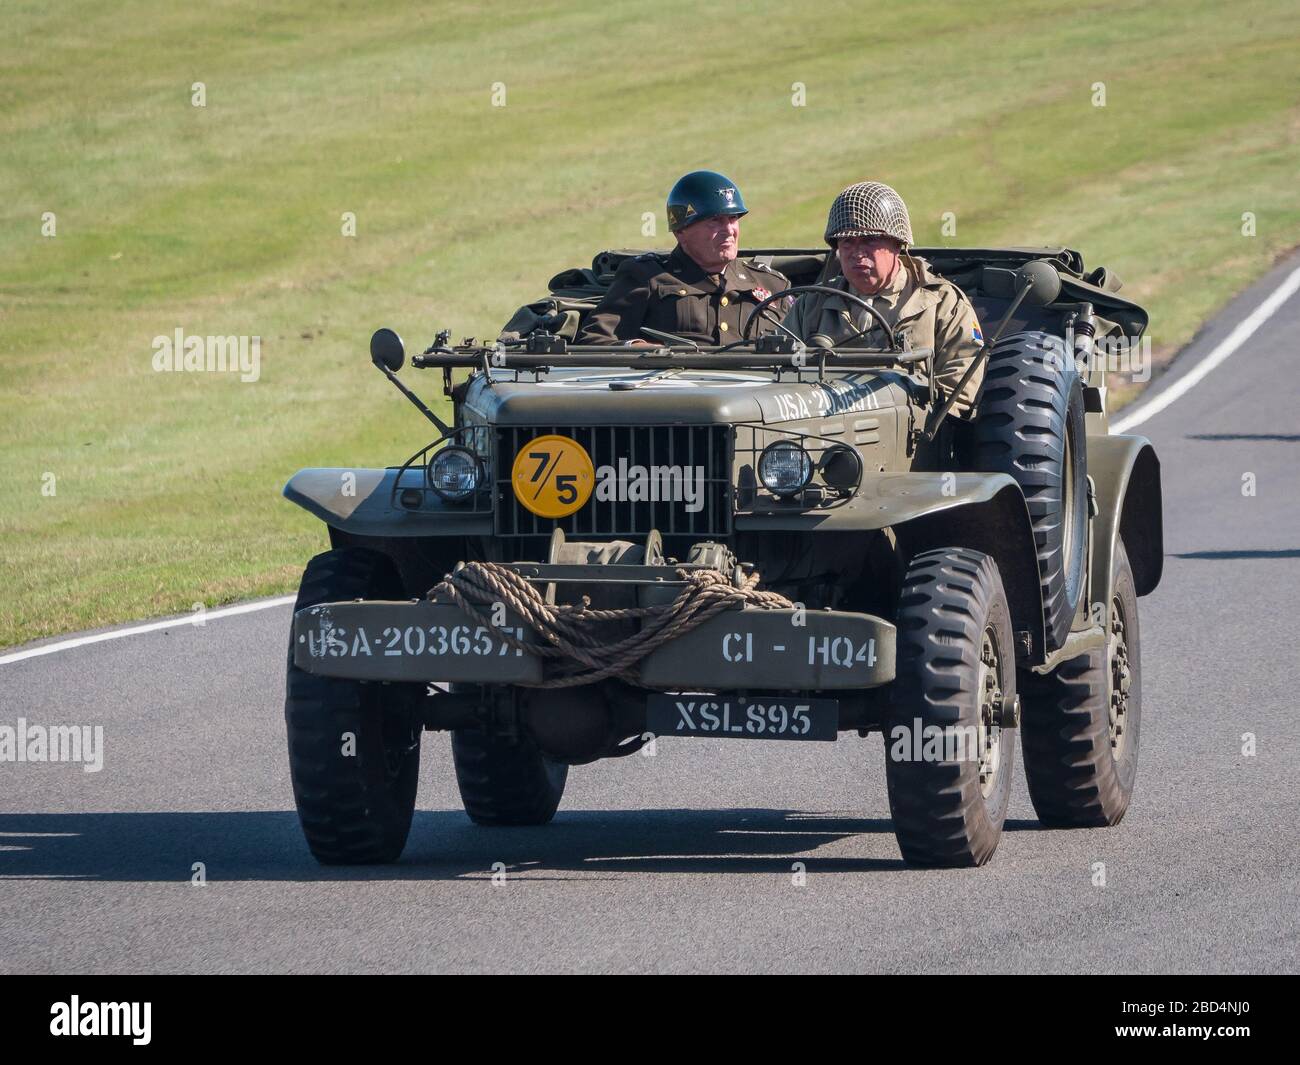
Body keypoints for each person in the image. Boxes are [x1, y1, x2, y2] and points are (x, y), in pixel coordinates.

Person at [783, 181, 985, 419]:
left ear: (897, 245)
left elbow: (961, 389)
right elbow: (774, 373)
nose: (858, 253)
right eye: (847, 242)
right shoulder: (812, 304)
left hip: (911, 440)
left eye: (870, 240)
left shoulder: (941, 303)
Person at [577, 170, 789, 346]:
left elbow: (805, 351)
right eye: (715, 221)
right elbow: (594, 340)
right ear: (681, 231)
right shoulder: (647, 277)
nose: (729, 230)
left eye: (733, 219)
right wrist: (649, 353)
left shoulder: (772, 285)